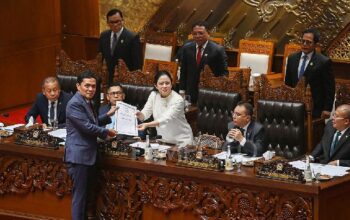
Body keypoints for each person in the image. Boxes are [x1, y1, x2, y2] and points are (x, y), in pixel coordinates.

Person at [64, 71, 117, 220]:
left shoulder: (87, 101)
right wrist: (106, 132)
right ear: (78, 86)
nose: (90, 89)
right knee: (79, 197)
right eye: (87, 85)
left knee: (87, 197)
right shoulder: (74, 103)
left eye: (93, 86)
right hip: (79, 157)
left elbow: (91, 122)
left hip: (88, 156)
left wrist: (107, 116)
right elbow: (86, 127)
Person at [284, 28, 335, 118]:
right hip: (294, 105)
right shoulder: (292, 58)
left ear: (315, 44)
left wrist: (327, 108)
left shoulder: (323, 62)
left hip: (314, 107)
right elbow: (288, 83)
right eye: (303, 41)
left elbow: (329, 87)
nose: (304, 44)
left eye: (308, 42)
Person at [136, 70, 193, 147]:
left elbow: (165, 119)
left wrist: (147, 125)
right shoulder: (154, 95)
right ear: (156, 86)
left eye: (167, 83)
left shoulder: (178, 100)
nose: (164, 86)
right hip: (164, 141)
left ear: (171, 84)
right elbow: (145, 114)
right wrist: (139, 114)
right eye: (161, 83)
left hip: (182, 141)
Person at [179, 21, 228, 103]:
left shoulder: (218, 50)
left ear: (208, 33)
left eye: (201, 33)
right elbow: (183, 71)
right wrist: (182, 90)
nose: (197, 36)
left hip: (209, 93)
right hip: (190, 92)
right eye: (195, 33)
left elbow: (223, 74)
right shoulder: (187, 48)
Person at [99, 8, 142, 86]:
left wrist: (134, 82)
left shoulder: (132, 37)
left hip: (125, 80)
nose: (115, 24)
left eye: (117, 21)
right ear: (107, 23)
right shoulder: (104, 36)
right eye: (112, 22)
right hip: (107, 78)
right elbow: (100, 57)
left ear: (122, 20)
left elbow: (137, 64)